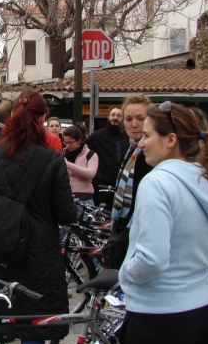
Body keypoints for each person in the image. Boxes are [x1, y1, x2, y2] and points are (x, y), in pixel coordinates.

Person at [118, 101, 208, 344]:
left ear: (171, 139)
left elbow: (152, 259)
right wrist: (190, 268)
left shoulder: (156, 183)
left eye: (148, 136)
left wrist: (125, 275)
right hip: (205, 311)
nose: (141, 143)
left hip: (158, 316)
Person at [0, 89, 77, 344]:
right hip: (39, 258)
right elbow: (67, 214)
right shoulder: (52, 158)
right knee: (33, 331)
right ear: (42, 117)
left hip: (0, 254)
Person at [103, 95, 154, 270]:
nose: (134, 124)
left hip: (138, 228)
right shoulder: (132, 149)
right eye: (129, 119)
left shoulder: (149, 154)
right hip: (123, 224)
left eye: (141, 119)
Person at [85, 107, 130, 209]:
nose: (115, 118)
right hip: (101, 186)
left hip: (124, 185)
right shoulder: (96, 137)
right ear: (108, 117)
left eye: (119, 116)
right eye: (113, 115)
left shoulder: (129, 136)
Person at [63, 125, 98, 204]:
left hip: (84, 199)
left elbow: (91, 173)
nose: (68, 146)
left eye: (71, 142)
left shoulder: (90, 154)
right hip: (66, 198)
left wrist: (69, 165)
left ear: (79, 140)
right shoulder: (63, 154)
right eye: (65, 142)